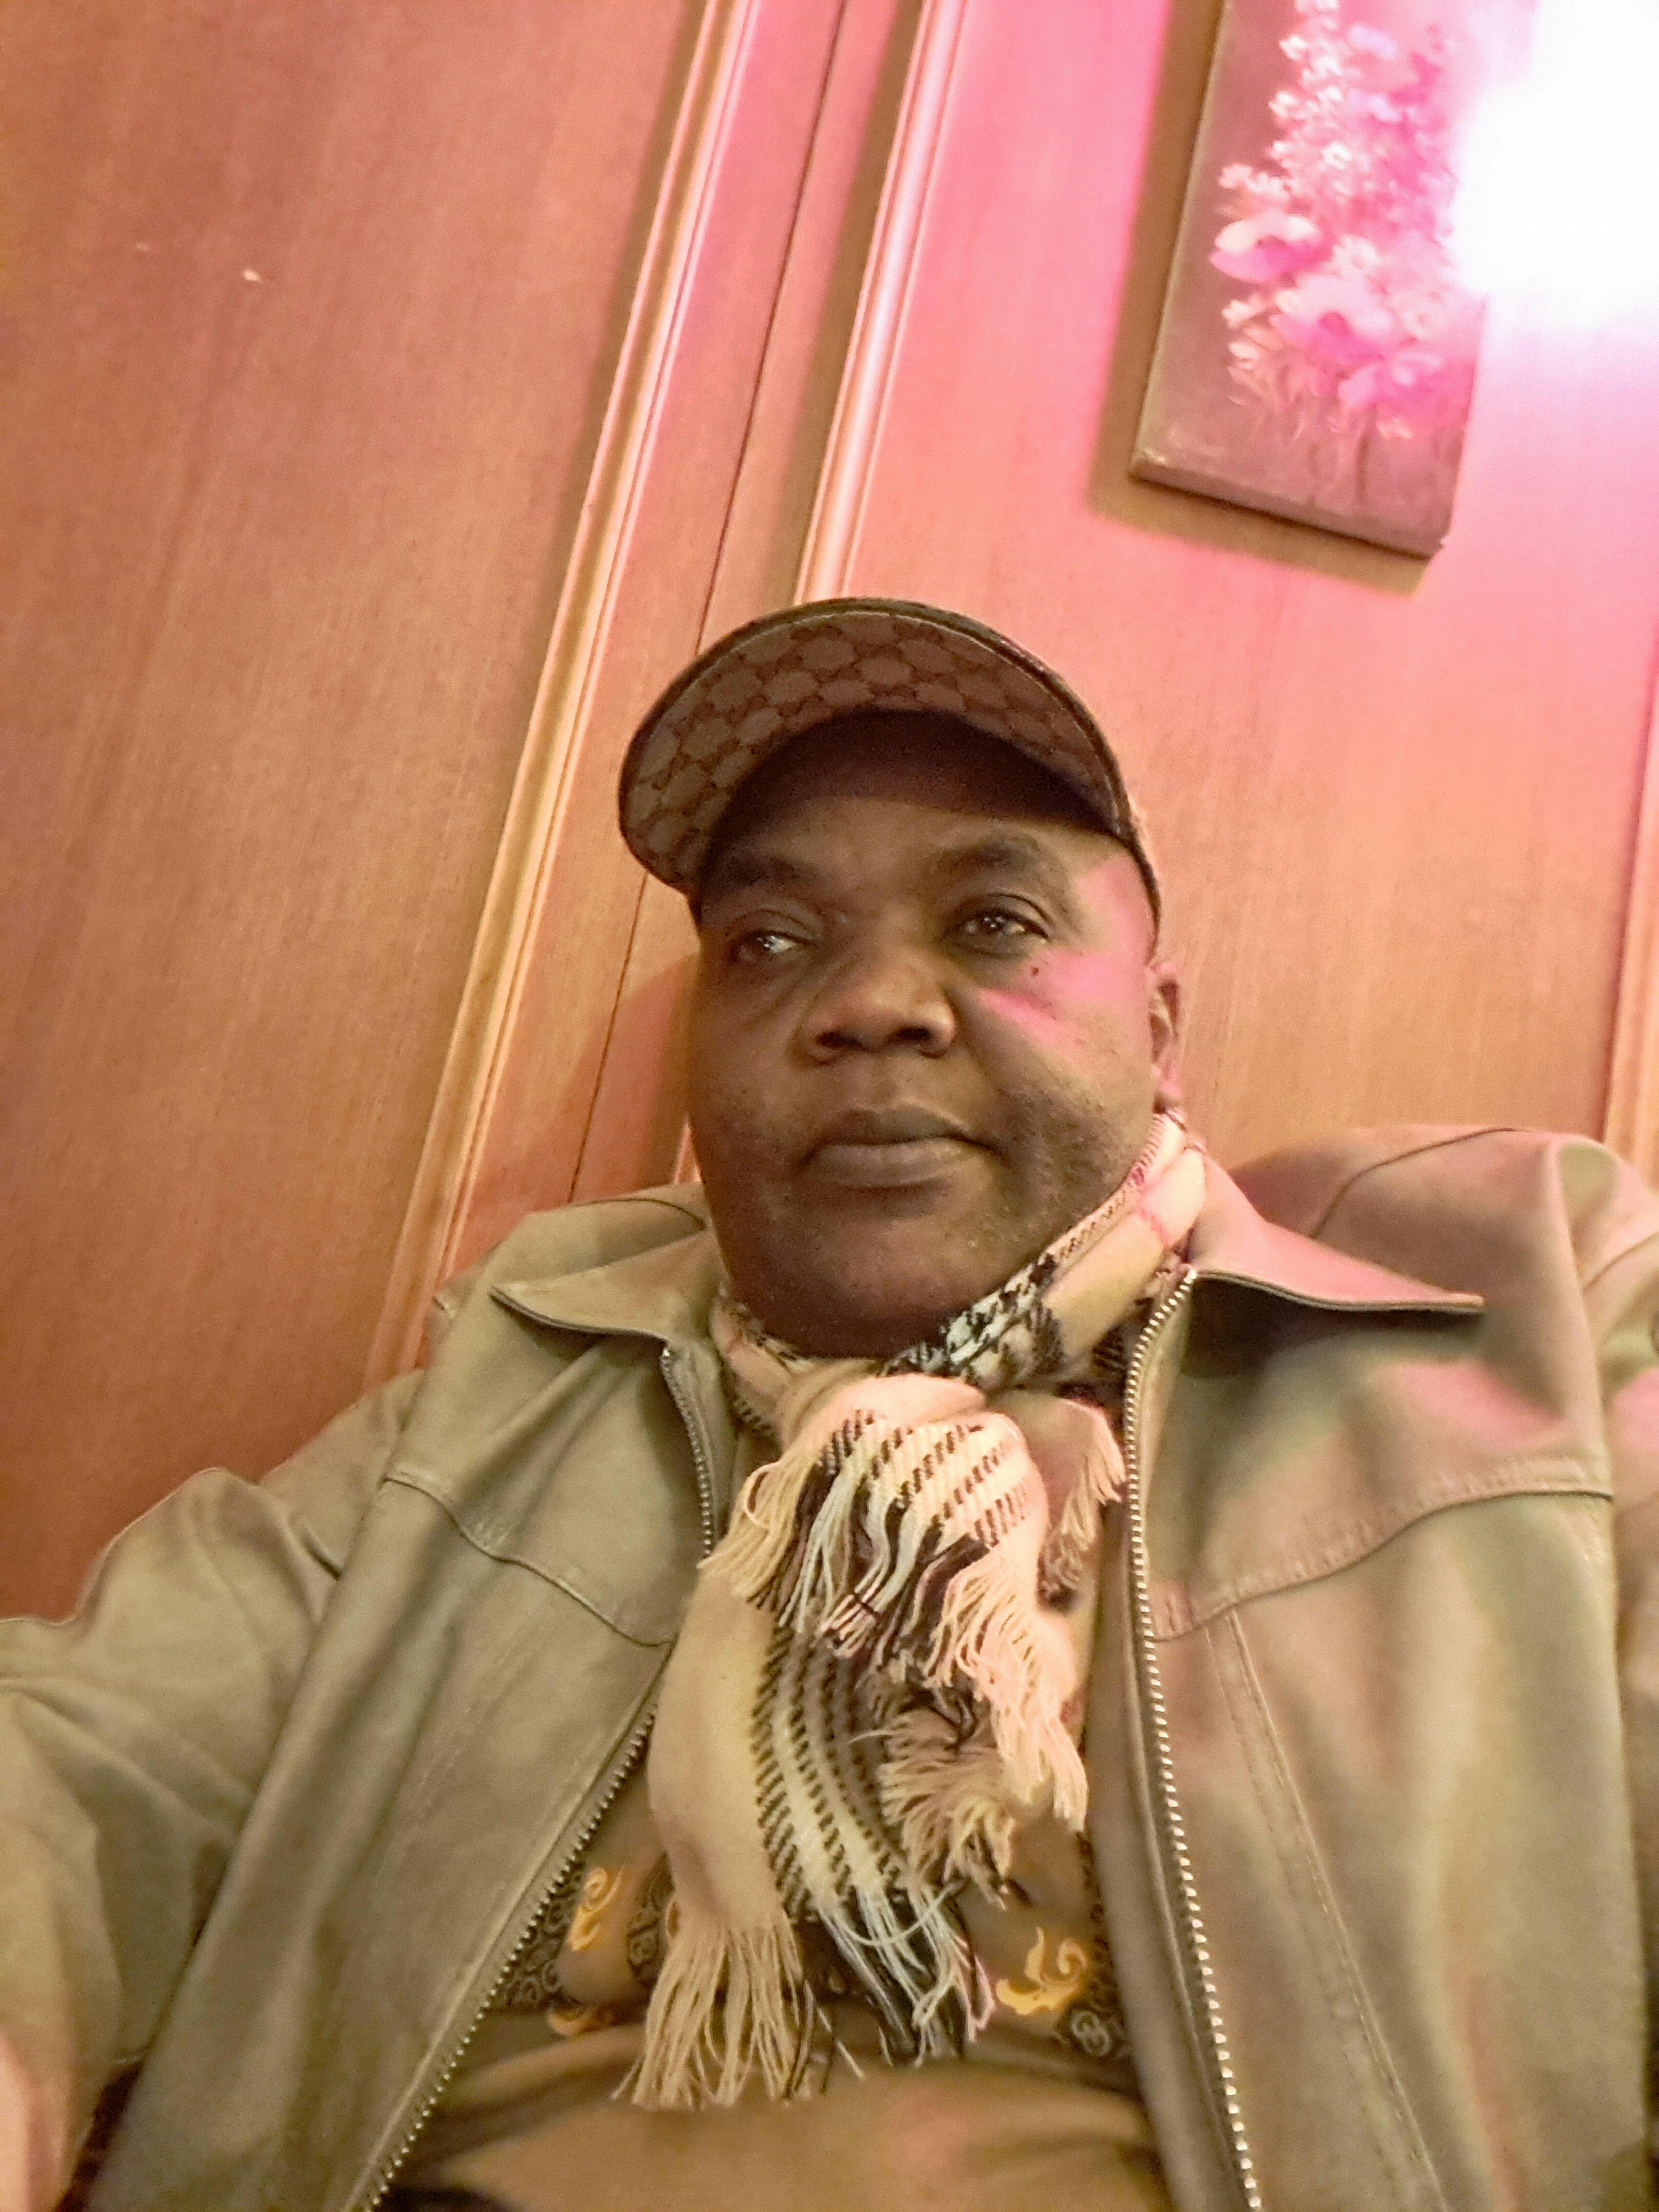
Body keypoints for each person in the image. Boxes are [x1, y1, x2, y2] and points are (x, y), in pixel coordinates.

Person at [3, 598, 1658, 2212]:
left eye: (992, 921)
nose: (869, 1002)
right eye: (771, 943)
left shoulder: (1534, 1312)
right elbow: (82, 1767)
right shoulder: (508, 1388)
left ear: (1160, 1034)